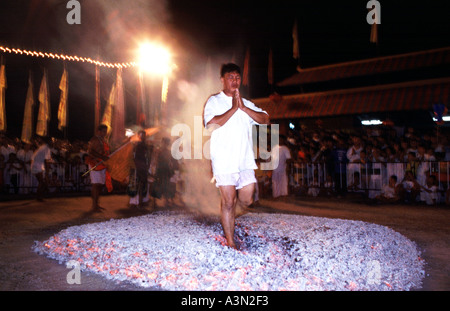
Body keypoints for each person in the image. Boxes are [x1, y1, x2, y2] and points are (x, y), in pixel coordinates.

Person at [203, 63, 270, 249]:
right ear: (222, 79)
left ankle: (229, 214)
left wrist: (243, 108)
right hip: (224, 160)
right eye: (230, 77)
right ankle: (230, 241)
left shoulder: (246, 103)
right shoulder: (214, 101)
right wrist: (233, 109)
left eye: (237, 77)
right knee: (229, 201)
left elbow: (265, 119)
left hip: (245, 160)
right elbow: (210, 124)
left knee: (247, 199)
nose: (234, 80)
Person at [86, 124, 111, 212]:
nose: (105, 133)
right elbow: (90, 151)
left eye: (106, 131)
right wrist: (101, 157)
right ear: (99, 131)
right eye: (104, 131)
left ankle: (97, 204)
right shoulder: (95, 139)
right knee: (96, 185)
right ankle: (94, 206)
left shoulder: (103, 140)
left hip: (102, 164)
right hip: (95, 164)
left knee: (100, 185)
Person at [130, 130, 151, 208]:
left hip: (143, 166)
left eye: (144, 135)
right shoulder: (137, 145)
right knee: (136, 184)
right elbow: (135, 156)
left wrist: (147, 165)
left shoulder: (145, 145)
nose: (143, 137)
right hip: (137, 166)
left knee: (142, 184)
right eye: (141, 135)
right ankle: (135, 202)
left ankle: (141, 201)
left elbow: (147, 156)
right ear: (139, 136)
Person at [30, 136, 52, 201]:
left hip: (36, 165)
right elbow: (47, 161)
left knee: (42, 182)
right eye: (51, 141)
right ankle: (39, 196)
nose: (52, 143)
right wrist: (47, 173)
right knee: (41, 182)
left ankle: (41, 194)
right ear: (48, 142)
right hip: (37, 166)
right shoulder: (46, 148)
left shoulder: (42, 147)